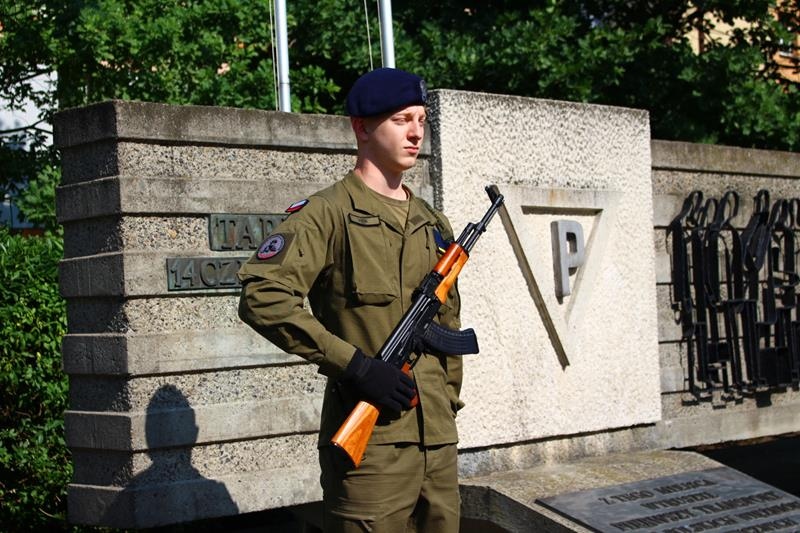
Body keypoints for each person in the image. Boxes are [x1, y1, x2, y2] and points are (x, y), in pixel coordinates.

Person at [238, 67, 463, 533]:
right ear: (361, 127)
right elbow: (263, 296)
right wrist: (356, 367)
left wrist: (447, 403)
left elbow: (449, 325)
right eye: (401, 120)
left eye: (421, 120)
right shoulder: (328, 213)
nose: (416, 133)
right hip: (372, 449)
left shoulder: (433, 223)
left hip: (438, 444)